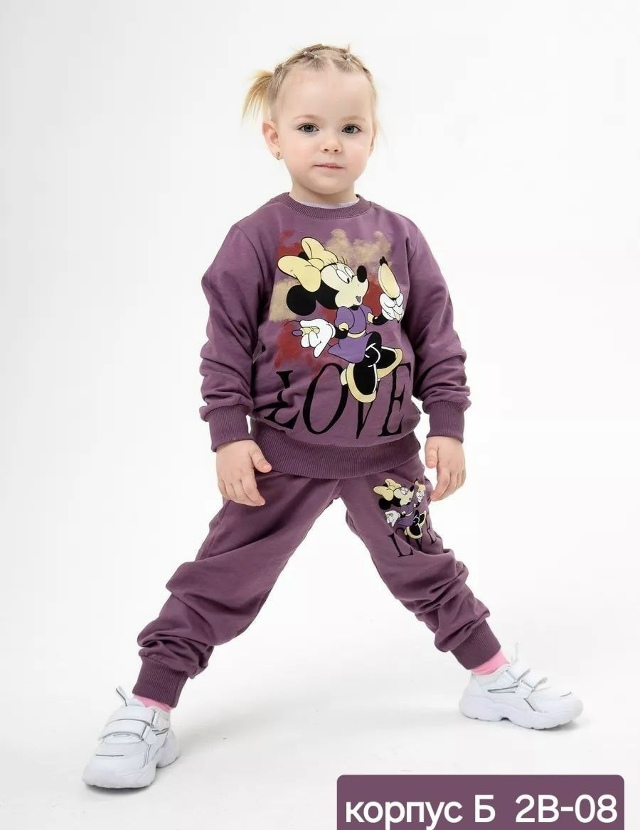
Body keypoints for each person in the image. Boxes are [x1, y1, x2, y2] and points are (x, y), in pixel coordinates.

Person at [82, 42, 583, 790]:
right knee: (219, 578)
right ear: (274, 137)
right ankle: (150, 706)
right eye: (310, 127)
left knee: (427, 567)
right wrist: (229, 435)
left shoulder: (401, 236)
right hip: (281, 458)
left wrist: (447, 424)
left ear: (372, 137)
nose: (331, 143)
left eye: (350, 128)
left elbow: (436, 337)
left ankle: (491, 678)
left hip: (387, 458)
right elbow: (225, 347)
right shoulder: (257, 238)